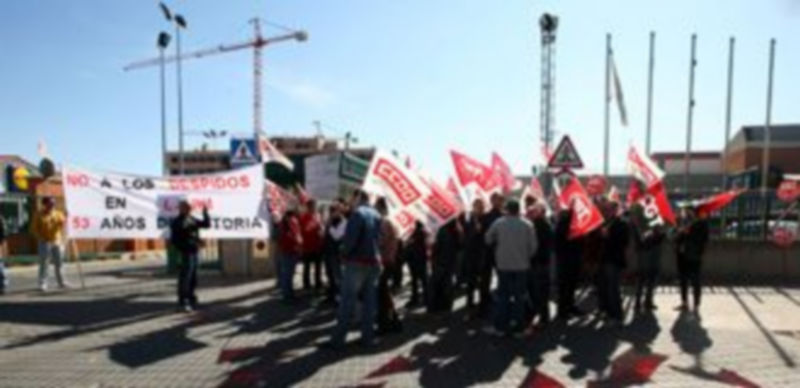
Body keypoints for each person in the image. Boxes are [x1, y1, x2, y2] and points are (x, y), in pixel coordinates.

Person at [329, 190, 382, 348]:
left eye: (353, 197)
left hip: (356, 263)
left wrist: (343, 253)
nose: (350, 201)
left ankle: (338, 341)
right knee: (369, 302)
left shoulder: (357, 214)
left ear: (359, 197)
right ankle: (368, 338)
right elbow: (379, 239)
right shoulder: (377, 214)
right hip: (373, 263)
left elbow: (350, 241)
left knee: (347, 301)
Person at [484, 200, 537, 336]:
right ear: (518, 210)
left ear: (507, 209)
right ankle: (519, 328)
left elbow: (488, 239)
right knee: (519, 297)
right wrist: (525, 257)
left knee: (503, 297)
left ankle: (500, 327)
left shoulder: (499, 222)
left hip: (503, 265)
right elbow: (533, 247)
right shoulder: (527, 224)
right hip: (522, 266)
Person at [169, 201, 211, 311]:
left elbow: (206, 225)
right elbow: (175, 241)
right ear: (181, 209)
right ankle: (183, 301)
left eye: (189, 207)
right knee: (185, 278)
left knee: (193, 276)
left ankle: (192, 297)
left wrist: (205, 213)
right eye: (186, 207)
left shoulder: (191, 219)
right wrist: (188, 246)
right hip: (186, 253)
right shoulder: (177, 222)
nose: (189, 209)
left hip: (194, 251)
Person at [596, 201, 629, 324]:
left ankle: (617, 315)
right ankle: (608, 312)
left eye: (610, 209)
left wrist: (608, 236)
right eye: (606, 209)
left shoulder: (622, 224)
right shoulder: (604, 223)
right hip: (604, 259)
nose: (607, 212)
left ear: (615, 211)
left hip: (614, 260)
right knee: (604, 287)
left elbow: (623, 242)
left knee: (613, 289)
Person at [631, 201, 666, 312]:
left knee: (649, 277)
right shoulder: (639, 220)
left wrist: (659, 232)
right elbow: (641, 237)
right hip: (646, 250)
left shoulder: (652, 220)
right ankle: (641, 302)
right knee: (645, 277)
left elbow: (659, 235)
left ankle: (645, 301)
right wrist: (655, 233)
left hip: (650, 250)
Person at [375, 198, 403, 334]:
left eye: (376, 206)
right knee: (385, 292)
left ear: (381, 207)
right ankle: (394, 320)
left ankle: (385, 324)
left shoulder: (385, 222)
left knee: (382, 294)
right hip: (390, 260)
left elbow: (380, 241)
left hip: (385, 261)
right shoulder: (391, 221)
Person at [675, 207, 709, 314]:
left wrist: (689, 231)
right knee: (683, 280)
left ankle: (696, 304)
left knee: (695, 281)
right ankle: (684, 302)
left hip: (694, 256)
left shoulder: (701, 224)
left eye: (688, 212)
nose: (686, 214)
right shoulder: (682, 223)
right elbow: (675, 238)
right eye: (685, 212)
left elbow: (704, 239)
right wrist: (681, 232)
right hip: (682, 256)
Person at [30, 197, 68, 292]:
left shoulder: (58, 214)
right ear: (45, 204)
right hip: (44, 242)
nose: (52, 205)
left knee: (59, 263)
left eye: (53, 204)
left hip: (56, 241)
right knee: (44, 264)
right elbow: (33, 229)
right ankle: (42, 283)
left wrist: (66, 218)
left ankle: (61, 282)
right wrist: (40, 238)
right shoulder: (38, 214)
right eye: (50, 204)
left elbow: (63, 224)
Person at [479, 193, 505, 318]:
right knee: (485, 279)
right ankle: (485, 303)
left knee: (500, 278)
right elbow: (481, 235)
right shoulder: (486, 217)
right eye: (496, 200)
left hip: (498, 251)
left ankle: (497, 304)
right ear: (492, 201)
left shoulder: (504, 216)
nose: (498, 202)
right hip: (489, 251)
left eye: (500, 200)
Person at [554, 207, 583, 320]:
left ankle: (569, 306)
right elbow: (559, 243)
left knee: (570, 285)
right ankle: (563, 310)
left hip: (571, 259)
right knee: (565, 286)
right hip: (566, 259)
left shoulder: (574, 226)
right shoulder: (563, 226)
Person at [528, 203, 553, 327]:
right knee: (543, 291)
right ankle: (543, 316)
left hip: (538, 262)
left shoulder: (537, 225)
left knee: (538, 291)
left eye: (534, 211)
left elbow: (533, 245)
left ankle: (541, 318)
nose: (530, 214)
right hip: (544, 261)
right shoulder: (547, 224)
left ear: (540, 212)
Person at [429, 218, 462, 313]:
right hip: (451, 261)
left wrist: (433, 246)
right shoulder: (456, 229)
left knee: (438, 284)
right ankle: (447, 306)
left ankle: (438, 307)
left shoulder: (443, 231)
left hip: (442, 261)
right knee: (447, 283)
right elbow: (459, 245)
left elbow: (438, 247)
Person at [463, 199, 486, 311]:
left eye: (481, 206)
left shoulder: (485, 218)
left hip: (482, 253)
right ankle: (470, 302)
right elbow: (466, 235)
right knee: (471, 281)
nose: (479, 209)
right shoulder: (469, 218)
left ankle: (483, 302)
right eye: (477, 206)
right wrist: (474, 230)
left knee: (483, 280)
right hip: (471, 254)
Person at [323, 199, 347, 303]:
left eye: (334, 210)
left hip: (337, 253)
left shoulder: (344, 222)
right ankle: (332, 295)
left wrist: (329, 225)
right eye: (331, 210)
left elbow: (337, 236)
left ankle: (340, 297)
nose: (332, 213)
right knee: (330, 275)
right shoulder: (332, 221)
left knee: (338, 276)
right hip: (328, 252)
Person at [277, 210, 303, 301]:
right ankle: (287, 296)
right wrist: (298, 242)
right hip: (289, 251)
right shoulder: (288, 223)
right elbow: (293, 236)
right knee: (288, 275)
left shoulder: (285, 223)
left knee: (288, 275)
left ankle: (289, 294)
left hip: (288, 251)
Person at [300, 199, 324, 292]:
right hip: (307, 247)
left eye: (315, 206)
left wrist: (321, 228)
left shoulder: (318, 216)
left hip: (317, 246)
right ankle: (306, 285)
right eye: (313, 206)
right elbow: (304, 230)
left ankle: (318, 283)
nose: (314, 208)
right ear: (308, 207)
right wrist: (315, 228)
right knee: (307, 267)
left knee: (318, 267)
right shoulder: (304, 217)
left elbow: (321, 226)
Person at [405, 221, 429, 308]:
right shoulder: (421, 231)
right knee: (421, 280)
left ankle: (419, 298)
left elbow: (414, 244)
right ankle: (423, 298)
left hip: (417, 259)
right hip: (418, 258)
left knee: (419, 280)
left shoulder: (419, 232)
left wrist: (409, 241)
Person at [0, 217, 8, 294]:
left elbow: (3, 236)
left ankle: (3, 285)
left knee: (0, 267)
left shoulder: (1, 220)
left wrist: (4, 248)